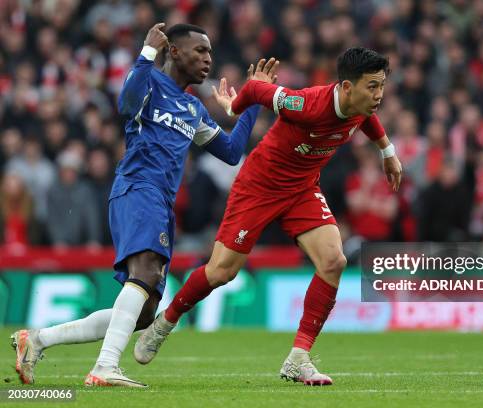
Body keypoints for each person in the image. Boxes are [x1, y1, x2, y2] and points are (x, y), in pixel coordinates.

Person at [11, 22, 270, 387]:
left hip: (160, 204)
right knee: (145, 275)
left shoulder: (193, 108)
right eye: (200, 51)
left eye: (210, 52)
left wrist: (254, 102)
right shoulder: (149, 83)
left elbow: (230, 152)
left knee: (145, 313)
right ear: (174, 52)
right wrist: (146, 53)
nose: (208, 60)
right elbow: (126, 103)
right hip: (137, 188)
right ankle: (104, 367)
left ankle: (37, 340)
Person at [135, 47, 402, 386]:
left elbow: (367, 118)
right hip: (259, 186)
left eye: (381, 86)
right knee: (221, 272)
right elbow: (257, 90)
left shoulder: (360, 104)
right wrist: (235, 106)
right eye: (372, 87)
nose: (378, 95)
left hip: (302, 189)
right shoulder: (306, 105)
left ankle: (299, 357)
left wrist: (387, 151)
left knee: (333, 261)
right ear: (347, 87)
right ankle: (165, 322)